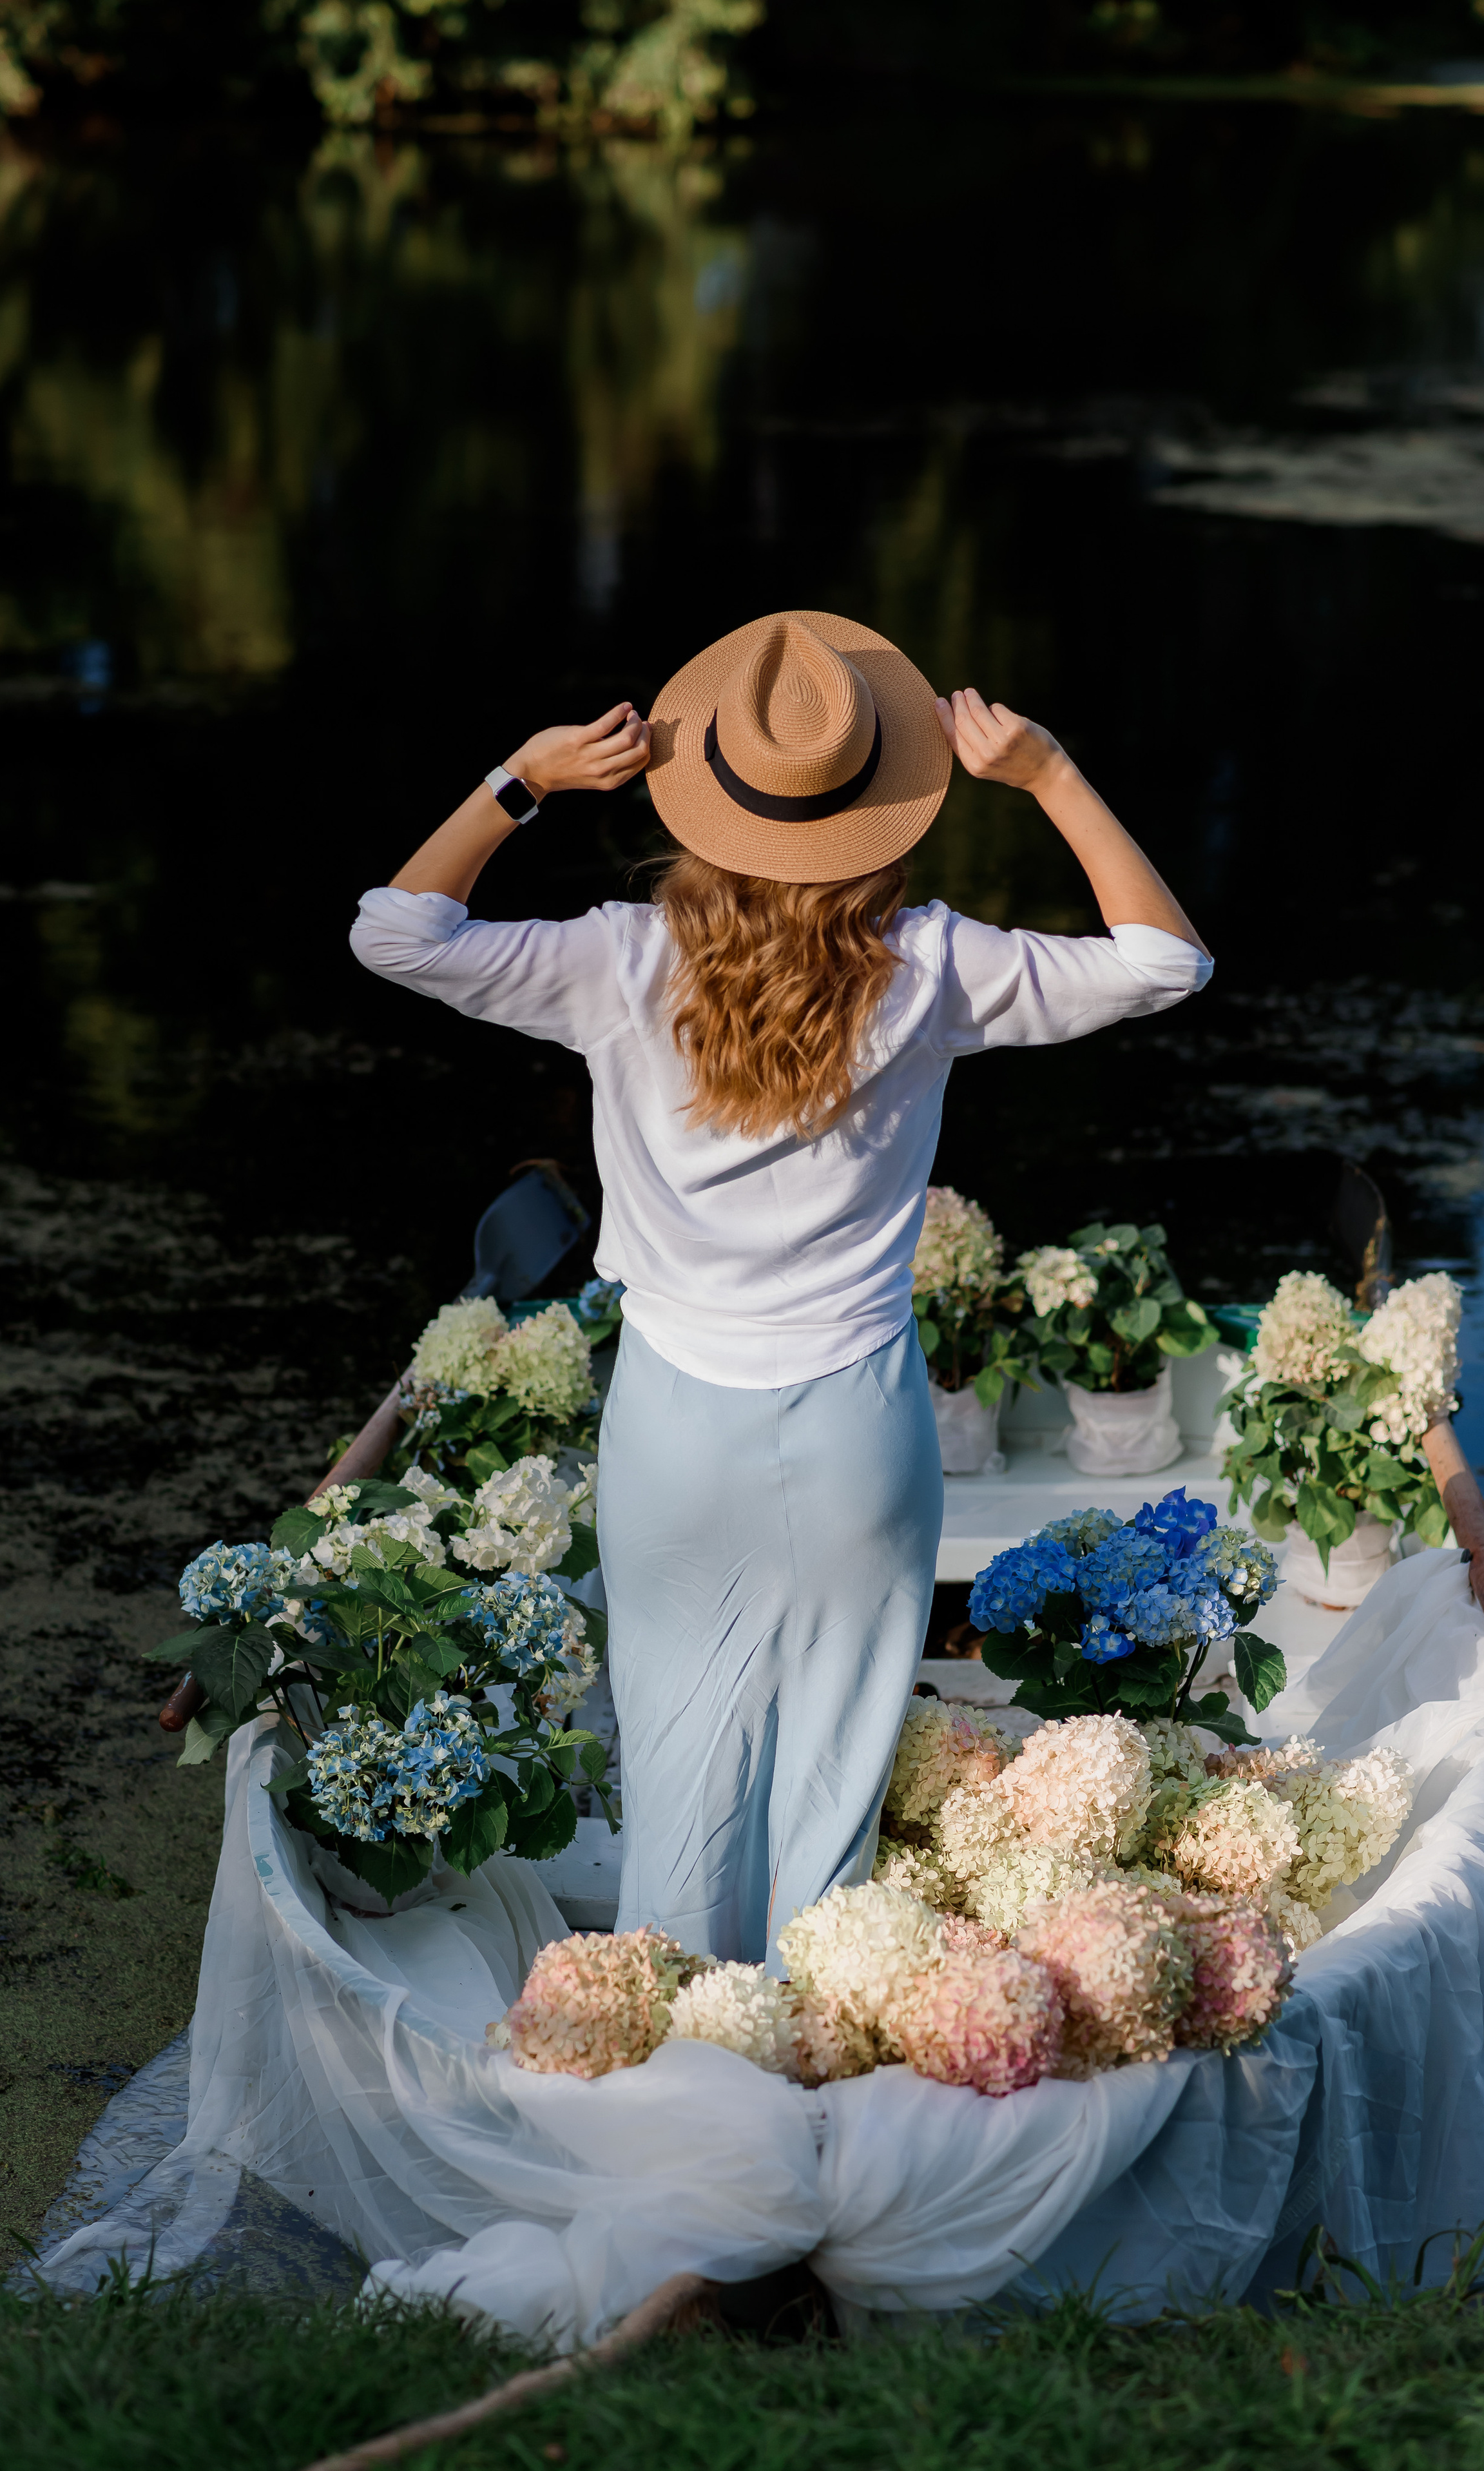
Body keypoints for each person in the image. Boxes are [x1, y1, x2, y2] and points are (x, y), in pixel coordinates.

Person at [350, 610, 1211, 1969]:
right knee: (830, 1792)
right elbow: (1165, 963)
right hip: (857, 1421)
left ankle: (679, 2076)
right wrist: (1047, 776)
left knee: (683, 1768)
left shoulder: (615, 961)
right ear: (875, 813)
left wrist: (521, 778)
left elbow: (392, 933)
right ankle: (810, 2065)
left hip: (675, 1425)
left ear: (704, 812)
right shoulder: (930, 969)